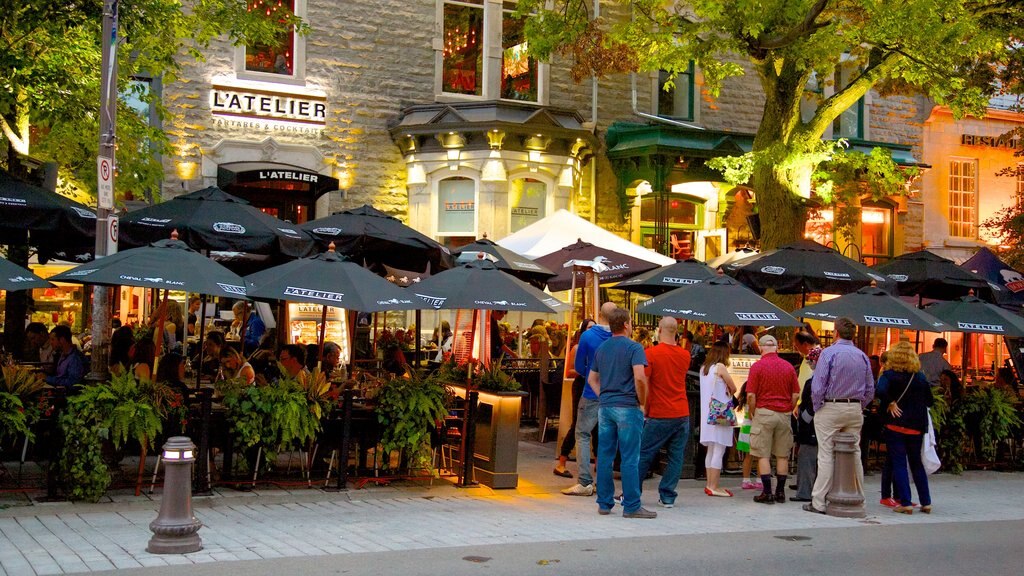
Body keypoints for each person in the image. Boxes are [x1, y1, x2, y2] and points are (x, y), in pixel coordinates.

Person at [805, 317, 875, 515]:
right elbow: (870, 388)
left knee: (826, 454)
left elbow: (818, 387)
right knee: (855, 454)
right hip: (854, 408)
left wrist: (818, 407)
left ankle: (818, 501)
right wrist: (859, 405)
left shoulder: (829, 353)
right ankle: (859, 498)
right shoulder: (862, 356)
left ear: (835, 332)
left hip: (831, 406)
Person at [590, 308, 653, 518]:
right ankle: (632, 505)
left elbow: (592, 379)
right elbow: (640, 378)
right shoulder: (635, 348)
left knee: (605, 456)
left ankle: (604, 503)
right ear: (626, 324)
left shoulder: (602, 348)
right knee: (629, 457)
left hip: (606, 406)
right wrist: (641, 401)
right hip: (628, 406)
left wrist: (603, 396)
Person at [636, 316, 691, 509]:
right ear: (676, 332)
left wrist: (643, 404)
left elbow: (643, 380)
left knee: (643, 453)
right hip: (682, 411)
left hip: (660, 412)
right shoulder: (685, 355)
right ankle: (668, 496)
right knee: (676, 456)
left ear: (659, 329)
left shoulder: (651, 354)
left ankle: (632, 493)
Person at [562, 303, 615, 497]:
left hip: (591, 392)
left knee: (583, 434)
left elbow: (578, 365)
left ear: (599, 315)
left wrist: (591, 376)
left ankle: (585, 481)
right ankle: (603, 482)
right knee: (606, 438)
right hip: (613, 394)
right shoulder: (619, 337)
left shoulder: (588, 336)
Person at [876, 341, 933, 515]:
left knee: (899, 463)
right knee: (916, 463)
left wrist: (891, 402)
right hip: (916, 425)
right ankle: (926, 502)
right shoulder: (920, 377)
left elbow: (879, 390)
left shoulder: (889, 375)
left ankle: (905, 502)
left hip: (896, 423)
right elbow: (930, 401)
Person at [746, 334, 800, 504]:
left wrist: (753, 412)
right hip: (784, 414)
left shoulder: (757, 367)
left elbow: (751, 395)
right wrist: (789, 408)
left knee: (763, 454)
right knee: (782, 455)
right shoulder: (788, 367)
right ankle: (780, 492)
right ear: (777, 348)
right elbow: (796, 393)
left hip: (764, 412)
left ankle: (767, 493)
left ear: (761, 348)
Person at [554, 318, 595, 479]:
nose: (592, 330)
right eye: (590, 327)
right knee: (577, 423)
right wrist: (584, 370)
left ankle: (597, 464)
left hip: (593, 385)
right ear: (583, 330)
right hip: (580, 385)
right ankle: (562, 461)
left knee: (597, 427)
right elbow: (569, 371)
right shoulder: (577, 348)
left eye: (595, 327)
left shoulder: (594, 347)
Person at [699, 340, 738, 497]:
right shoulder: (721, 367)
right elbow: (733, 387)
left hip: (708, 414)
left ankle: (709, 484)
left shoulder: (704, 369)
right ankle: (714, 486)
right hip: (721, 413)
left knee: (711, 449)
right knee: (719, 449)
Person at [792, 346, 823, 503]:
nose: (809, 363)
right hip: (817, 425)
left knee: (807, 457)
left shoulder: (816, 380)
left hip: (810, 426)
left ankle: (804, 491)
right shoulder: (823, 377)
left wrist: (805, 417)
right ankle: (808, 488)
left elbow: (813, 402)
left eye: (811, 360)